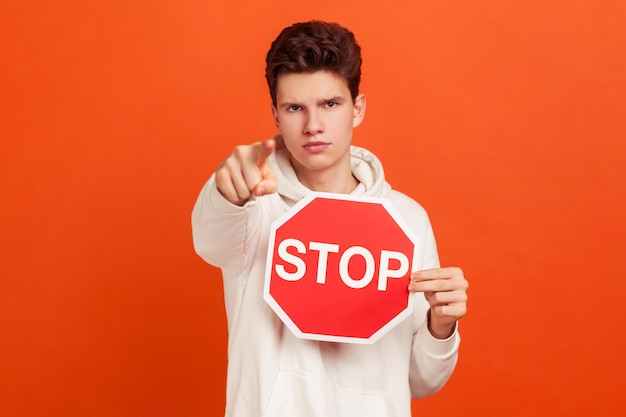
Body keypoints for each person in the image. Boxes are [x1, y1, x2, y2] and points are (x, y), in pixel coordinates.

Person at [192, 20, 468, 417]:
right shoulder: (255, 204)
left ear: (357, 109)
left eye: (330, 104)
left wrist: (441, 326)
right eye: (294, 108)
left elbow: (420, 380)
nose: (313, 126)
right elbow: (210, 238)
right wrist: (226, 192)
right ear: (276, 116)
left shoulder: (407, 220)